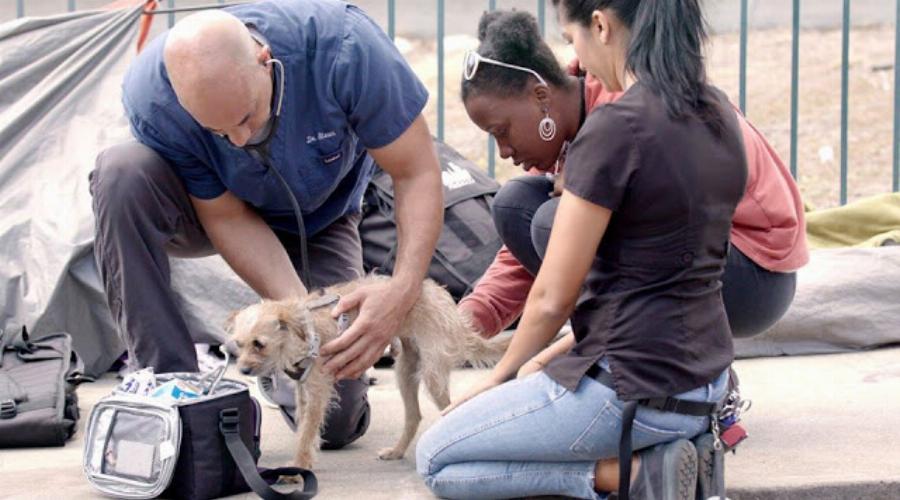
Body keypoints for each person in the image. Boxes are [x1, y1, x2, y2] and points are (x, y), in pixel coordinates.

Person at [417, 1, 750, 498]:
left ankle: (634, 476)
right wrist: (541, 361)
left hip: (633, 393)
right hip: (706, 387)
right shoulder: (718, 109)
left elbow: (553, 295)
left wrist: (500, 377)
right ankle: (681, 456)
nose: (575, 61)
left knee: (436, 459)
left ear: (600, 25)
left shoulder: (615, 128)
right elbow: (656, 280)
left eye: (572, 41)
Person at [91, 0, 442, 449]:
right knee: (121, 173)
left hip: (318, 218)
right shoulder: (152, 94)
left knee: (334, 420)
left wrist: (401, 291)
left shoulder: (346, 50)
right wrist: (300, 312)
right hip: (219, 212)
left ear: (265, 62)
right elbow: (228, 216)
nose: (238, 141)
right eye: (217, 132)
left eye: (244, 119)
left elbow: (416, 172)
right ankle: (170, 386)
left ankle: (278, 371)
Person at [457, 10, 808, 348]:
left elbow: (678, 205)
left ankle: (625, 358)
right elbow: (521, 264)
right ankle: (618, 351)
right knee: (516, 204)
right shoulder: (573, 132)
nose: (503, 151)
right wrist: (461, 326)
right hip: (690, 257)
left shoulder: (630, 104)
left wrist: (584, 176)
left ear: (540, 97)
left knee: (555, 222)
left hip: (753, 273)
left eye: (502, 131)